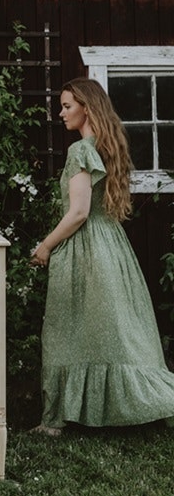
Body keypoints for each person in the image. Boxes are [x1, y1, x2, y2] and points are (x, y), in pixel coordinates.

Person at [30, 77, 174, 436]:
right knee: (117, 334)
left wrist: (46, 246)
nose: (60, 113)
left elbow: (78, 212)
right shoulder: (108, 148)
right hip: (111, 245)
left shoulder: (80, 151)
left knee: (66, 331)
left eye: (67, 106)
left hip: (85, 247)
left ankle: (56, 420)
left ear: (87, 108)